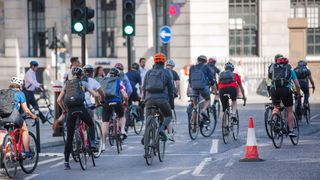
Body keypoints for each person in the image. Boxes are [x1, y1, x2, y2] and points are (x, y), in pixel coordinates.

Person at [57, 67, 100, 170]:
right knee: (90, 124)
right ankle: (93, 143)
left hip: (71, 110)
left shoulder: (66, 84)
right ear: (81, 75)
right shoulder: (83, 83)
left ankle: (66, 162)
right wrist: (98, 101)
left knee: (69, 138)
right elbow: (95, 94)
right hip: (81, 108)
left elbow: (59, 100)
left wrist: (64, 110)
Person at [0, 77, 38, 158]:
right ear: (20, 85)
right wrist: (33, 116)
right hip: (14, 116)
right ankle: (27, 152)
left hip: (2, 117)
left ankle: (8, 149)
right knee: (24, 130)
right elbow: (26, 110)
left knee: (7, 132)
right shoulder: (20, 93)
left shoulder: (3, 93)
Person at [141, 53, 174, 142]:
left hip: (149, 100)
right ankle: (161, 129)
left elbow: (144, 87)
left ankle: (146, 135)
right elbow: (171, 90)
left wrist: (143, 98)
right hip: (162, 99)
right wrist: (172, 104)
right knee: (168, 116)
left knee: (148, 118)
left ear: (154, 61)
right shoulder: (166, 72)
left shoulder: (148, 72)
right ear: (164, 62)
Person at [268, 57, 301, 137]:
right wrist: (298, 94)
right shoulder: (290, 70)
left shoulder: (273, 70)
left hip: (274, 89)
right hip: (285, 90)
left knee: (276, 107)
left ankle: (274, 119)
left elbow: (269, 80)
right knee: (289, 110)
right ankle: (291, 130)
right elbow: (297, 85)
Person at [101, 68, 128, 143]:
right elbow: (125, 96)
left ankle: (103, 144)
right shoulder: (119, 82)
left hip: (107, 103)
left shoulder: (104, 82)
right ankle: (122, 130)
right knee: (122, 116)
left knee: (105, 122)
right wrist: (126, 102)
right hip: (117, 102)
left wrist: (101, 102)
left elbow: (101, 93)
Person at [189, 55, 215, 126]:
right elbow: (211, 79)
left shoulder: (192, 67)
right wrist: (214, 89)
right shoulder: (206, 67)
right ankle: (203, 110)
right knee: (207, 99)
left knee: (195, 106)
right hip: (203, 88)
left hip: (194, 88)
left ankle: (193, 124)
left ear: (198, 60)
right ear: (205, 62)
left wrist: (192, 87)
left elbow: (190, 79)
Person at [165, 59, 181, 141]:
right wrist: (177, 93)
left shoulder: (162, 71)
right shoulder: (173, 73)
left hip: (158, 95)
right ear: (172, 66)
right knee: (168, 114)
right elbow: (178, 84)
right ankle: (170, 133)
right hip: (169, 95)